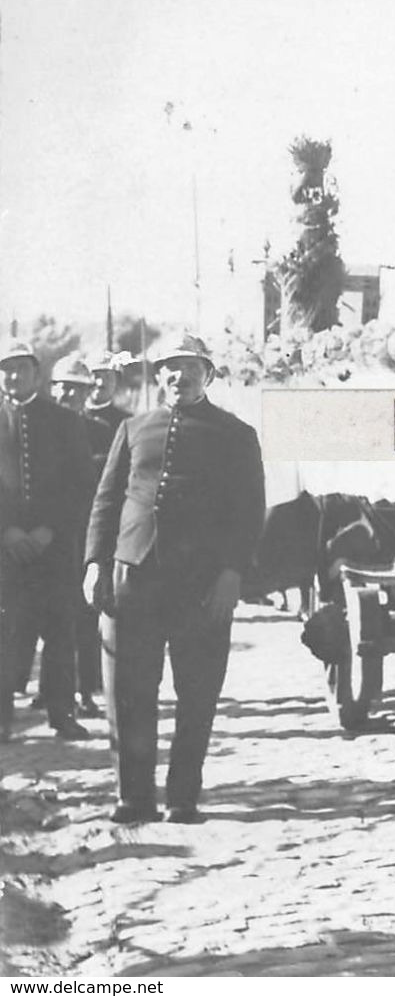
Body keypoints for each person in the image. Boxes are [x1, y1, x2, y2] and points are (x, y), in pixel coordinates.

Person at [84, 334, 265, 824]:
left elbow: (249, 512)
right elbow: (106, 501)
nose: (176, 377)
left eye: (187, 367)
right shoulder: (133, 428)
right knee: (129, 692)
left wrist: (232, 573)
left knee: (197, 693)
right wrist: (96, 562)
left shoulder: (235, 434)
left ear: (207, 374)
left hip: (201, 584)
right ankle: (133, 796)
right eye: (167, 368)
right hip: (133, 576)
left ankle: (183, 796)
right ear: (156, 375)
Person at [0, 341, 93, 742]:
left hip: (54, 548)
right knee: (7, 633)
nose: (14, 376)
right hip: (5, 550)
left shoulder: (64, 422)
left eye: (22, 368)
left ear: (37, 374)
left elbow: (81, 486)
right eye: (6, 369)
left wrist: (49, 529)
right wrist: (7, 531)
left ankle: (61, 714)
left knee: (60, 631)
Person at [50, 355, 114, 717]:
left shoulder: (101, 432)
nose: (67, 395)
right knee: (52, 619)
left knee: (86, 617)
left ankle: (85, 691)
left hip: (86, 535)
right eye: (61, 387)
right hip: (50, 538)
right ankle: (53, 693)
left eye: (76, 389)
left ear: (88, 393)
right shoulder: (39, 431)